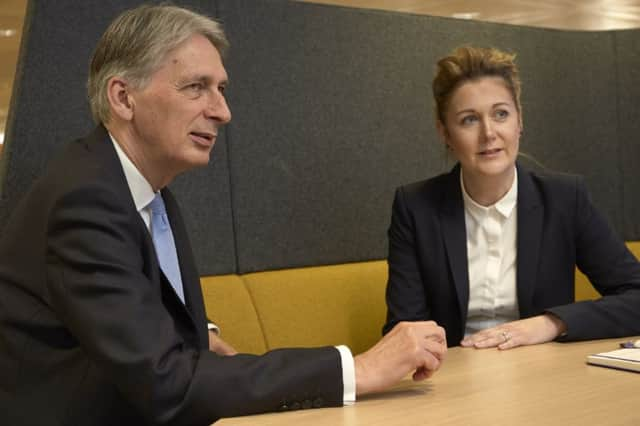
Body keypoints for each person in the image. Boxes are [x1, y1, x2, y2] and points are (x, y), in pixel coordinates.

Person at [0, 5, 447, 426]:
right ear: (123, 97)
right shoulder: (83, 200)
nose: (222, 111)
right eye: (196, 87)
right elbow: (167, 382)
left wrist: (198, 334)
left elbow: (130, 313)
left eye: (221, 89)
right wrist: (357, 367)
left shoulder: (140, 187)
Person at [383, 45, 640, 350]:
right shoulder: (415, 207)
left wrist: (550, 323)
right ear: (445, 133)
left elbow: (636, 296)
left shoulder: (564, 199)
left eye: (501, 114)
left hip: (544, 377)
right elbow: (402, 330)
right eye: (469, 120)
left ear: (519, 121)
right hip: (452, 381)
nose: (489, 133)